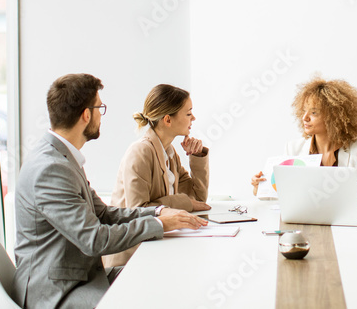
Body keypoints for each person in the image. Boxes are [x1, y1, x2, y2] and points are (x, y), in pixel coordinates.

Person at [13, 74, 205, 309]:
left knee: (165, 281)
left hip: (81, 276)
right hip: (57, 291)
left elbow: (103, 214)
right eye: (99, 108)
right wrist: (161, 224)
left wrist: (158, 213)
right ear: (86, 114)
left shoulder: (62, 158)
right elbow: (94, 239)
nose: (101, 116)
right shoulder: (51, 168)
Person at [103, 84, 210, 268]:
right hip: (129, 260)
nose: (193, 118)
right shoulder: (140, 152)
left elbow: (198, 198)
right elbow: (138, 211)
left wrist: (197, 155)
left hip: (156, 249)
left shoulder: (169, 152)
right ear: (168, 120)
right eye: (188, 113)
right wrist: (185, 203)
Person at [250, 76, 357, 200]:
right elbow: (282, 194)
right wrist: (260, 188)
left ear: (334, 117)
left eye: (314, 112)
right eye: (304, 111)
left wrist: (332, 186)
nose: (305, 118)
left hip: (344, 220)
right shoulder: (293, 149)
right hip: (304, 218)